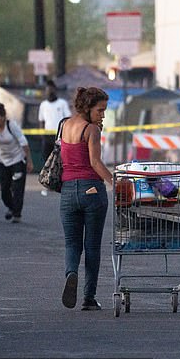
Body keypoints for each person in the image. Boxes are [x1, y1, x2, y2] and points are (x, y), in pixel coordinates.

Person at [60, 87, 112, 311]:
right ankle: (88, 298)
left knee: (72, 244)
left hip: (68, 192)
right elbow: (95, 162)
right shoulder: (91, 130)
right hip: (92, 190)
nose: (102, 115)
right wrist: (115, 183)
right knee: (92, 246)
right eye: (100, 110)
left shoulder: (64, 125)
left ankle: (71, 273)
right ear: (88, 107)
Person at [0, 102, 34, 223]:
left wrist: (29, 161)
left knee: (17, 188)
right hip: (1, 161)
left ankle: (16, 214)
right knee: (4, 190)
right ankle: (11, 207)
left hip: (17, 160)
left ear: (3, 116)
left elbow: (24, 143)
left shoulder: (11, 125)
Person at [38, 80, 71, 162]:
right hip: (47, 136)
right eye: (48, 90)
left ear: (55, 90)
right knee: (47, 158)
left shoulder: (62, 103)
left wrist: (66, 134)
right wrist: (42, 135)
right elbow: (41, 121)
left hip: (60, 135)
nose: (50, 92)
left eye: (51, 90)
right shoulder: (43, 105)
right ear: (45, 91)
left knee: (60, 159)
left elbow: (68, 119)